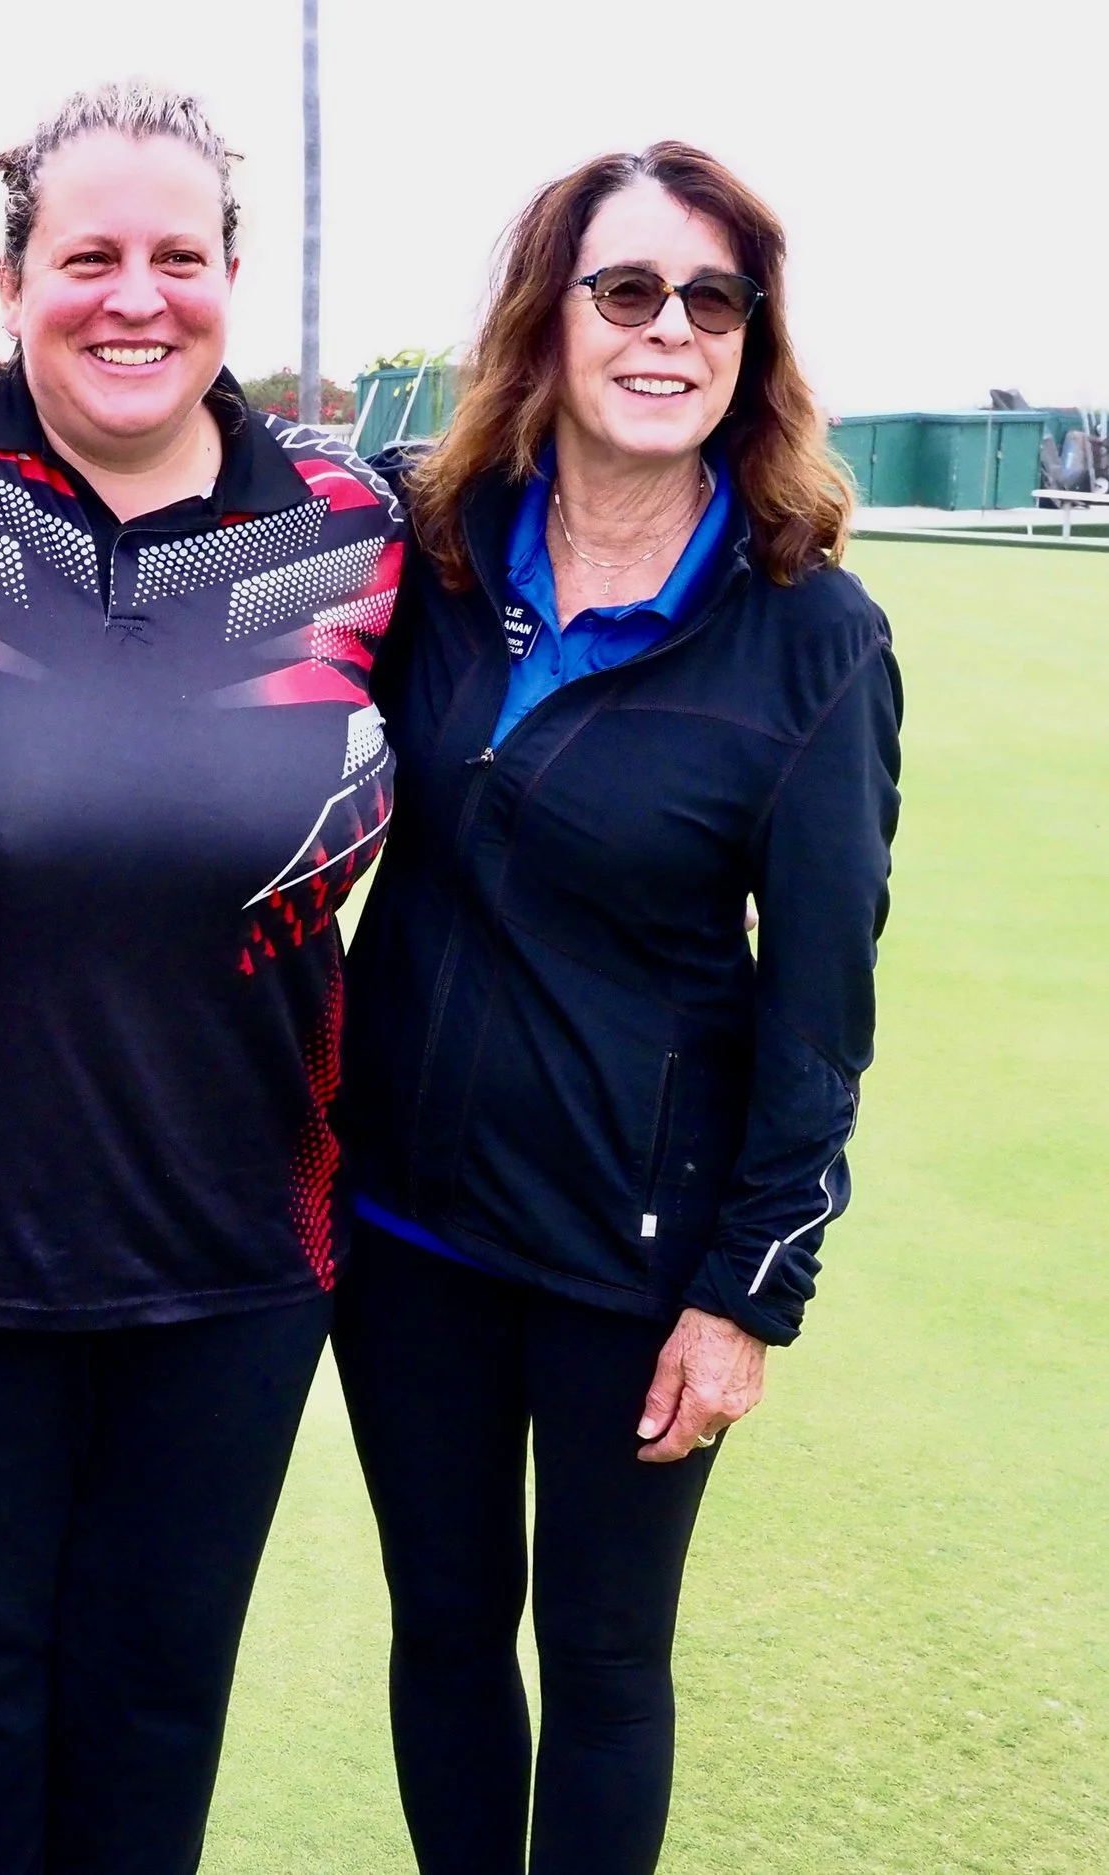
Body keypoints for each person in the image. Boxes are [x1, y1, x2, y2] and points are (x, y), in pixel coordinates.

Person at [0, 82, 400, 1874]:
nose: (137, 296)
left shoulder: (360, 528)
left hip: (236, 1263)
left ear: (233, 280)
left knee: (154, 1716)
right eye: (87, 258)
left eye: (178, 257)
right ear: (8, 275)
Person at [327, 145, 900, 1874]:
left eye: (714, 299)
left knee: (599, 1656)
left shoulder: (814, 639)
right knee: (443, 1628)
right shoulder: (423, 556)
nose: (671, 331)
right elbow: (174, 450)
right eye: (628, 290)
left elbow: (821, 1014)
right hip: (402, 1220)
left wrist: (748, 1297)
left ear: (754, 338)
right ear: (550, 321)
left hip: (632, 1259)